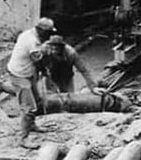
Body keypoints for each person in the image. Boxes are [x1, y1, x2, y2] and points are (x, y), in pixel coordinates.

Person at [7, 16, 56, 146]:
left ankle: (32, 125)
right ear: (40, 30)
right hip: (19, 74)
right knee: (28, 107)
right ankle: (23, 139)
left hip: (28, 72)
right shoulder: (32, 41)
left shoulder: (29, 33)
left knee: (37, 99)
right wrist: (45, 70)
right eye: (48, 33)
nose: (49, 36)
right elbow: (38, 61)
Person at [36, 34, 100, 95]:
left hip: (66, 75)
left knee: (69, 97)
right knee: (52, 97)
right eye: (52, 47)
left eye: (56, 48)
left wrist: (93, 86)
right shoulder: (44, 50)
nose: (54, 50)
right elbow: (36, 61)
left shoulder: (71, 53)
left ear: (62, 47)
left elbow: (83, 70)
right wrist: (43, 71)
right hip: (52, 75)